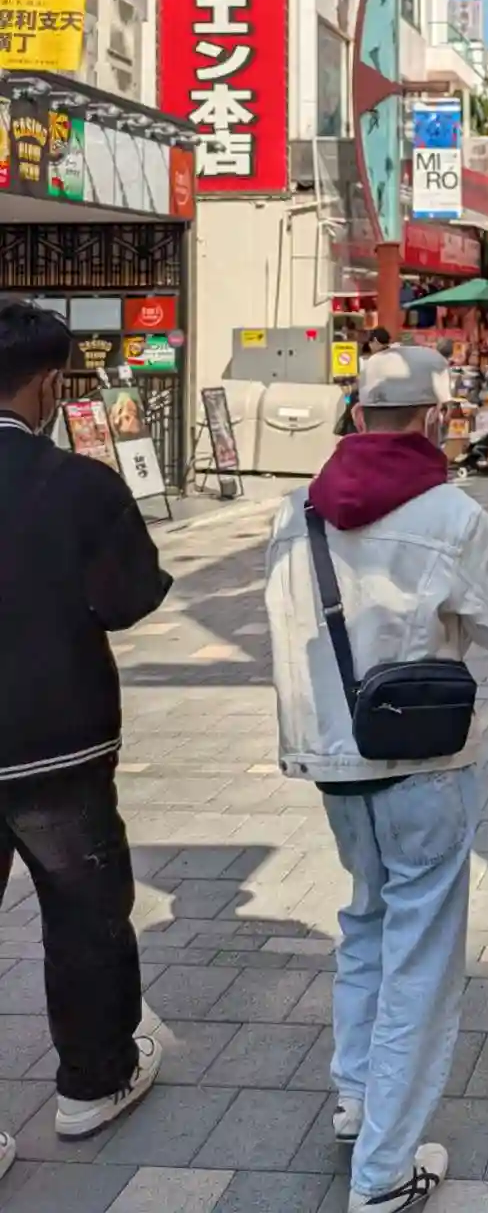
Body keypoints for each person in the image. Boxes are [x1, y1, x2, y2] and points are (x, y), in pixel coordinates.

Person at [265, 345, 488, 1213]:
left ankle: (355, 1097)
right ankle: (383, 1173)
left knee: (368, 919)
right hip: (424, 762)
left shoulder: (296, 511)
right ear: (432, 419)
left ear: (355, 416)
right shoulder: (451, 512)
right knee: (421, 952)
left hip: (333, 759)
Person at [0, 299, 172, 1139]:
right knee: (82, 913)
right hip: (55, 743)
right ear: (47, 384)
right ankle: (92, 1083)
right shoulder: (79, 484)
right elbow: (128, 598)